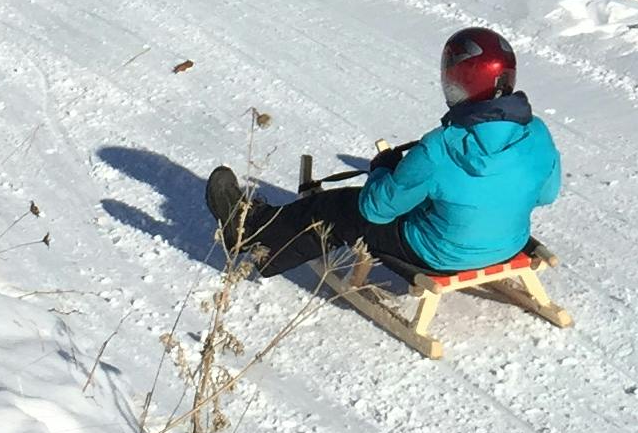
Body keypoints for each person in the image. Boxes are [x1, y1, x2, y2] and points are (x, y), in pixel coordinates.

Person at [208, 25, 562, 282]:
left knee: (341, 207)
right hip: (505, 244)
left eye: (452, 84)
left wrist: (383, 170)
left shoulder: (441, 147)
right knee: (436, 199)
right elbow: (546, 194)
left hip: (439, 254)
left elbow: (376, 209)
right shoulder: (538, 134)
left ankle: (248, 232)